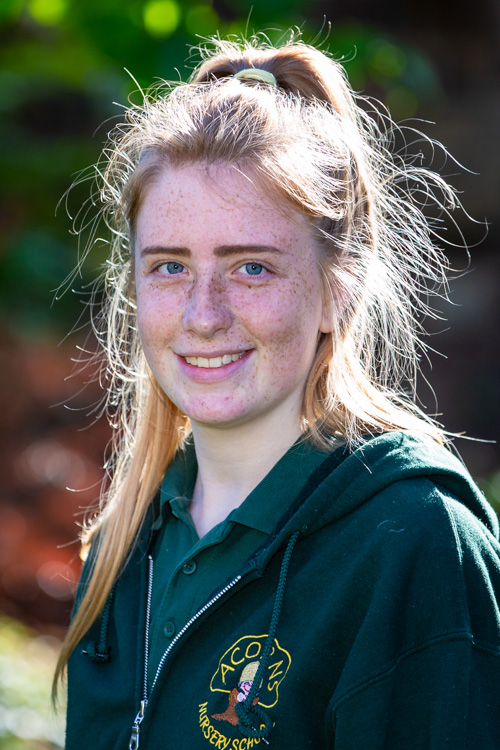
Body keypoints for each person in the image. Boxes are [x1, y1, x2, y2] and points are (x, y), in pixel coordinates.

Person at [56, 34, 500, 749]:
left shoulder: (414, 547)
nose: (204, 315)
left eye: (252, 268)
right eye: (169, 267)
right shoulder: (126, 544)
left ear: (337, 291)